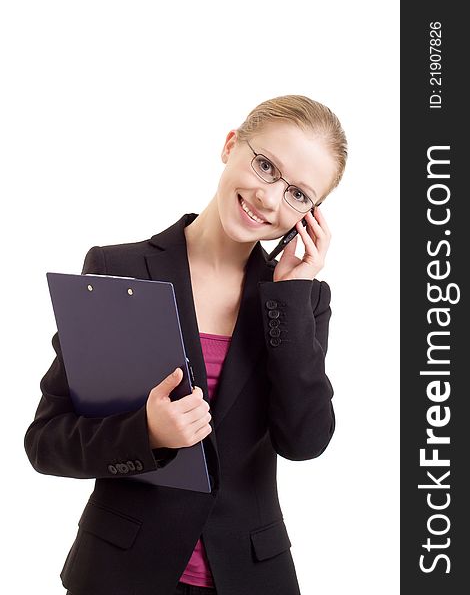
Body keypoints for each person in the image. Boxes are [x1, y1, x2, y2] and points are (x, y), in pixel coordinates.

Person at [24, 94, 347, 595]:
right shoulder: (118, 269)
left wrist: (287, 297)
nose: (268, 199)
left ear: (311, 216)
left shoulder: (300, 302)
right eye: (266, 166)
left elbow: (304, 442)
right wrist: (145, 433)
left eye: (298, 195)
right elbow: (46, 442)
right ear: (230, 145)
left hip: (249, 576)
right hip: (121, 574)